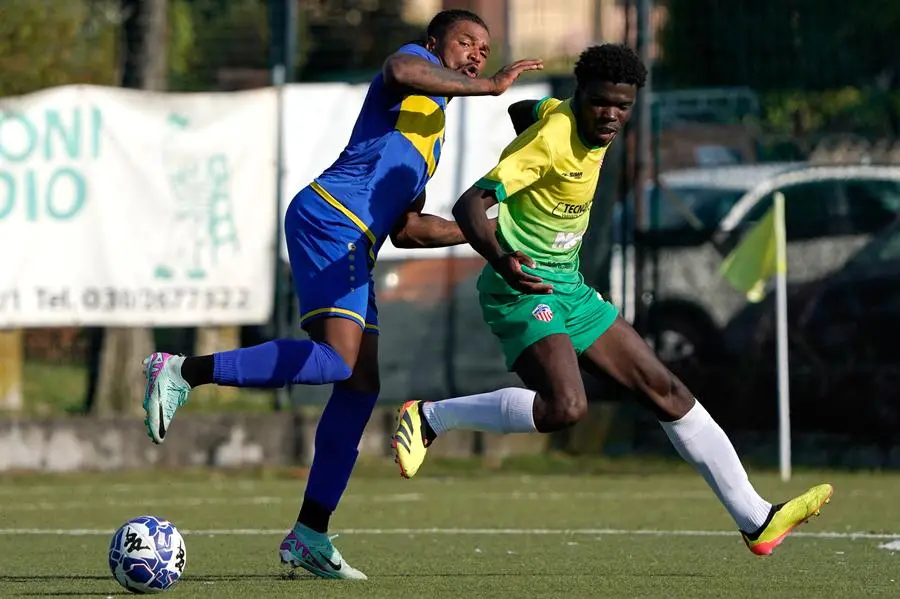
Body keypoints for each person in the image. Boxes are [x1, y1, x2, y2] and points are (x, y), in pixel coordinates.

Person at [140, 9, 543, 580]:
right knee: (338, 361)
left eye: (484, 48)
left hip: (357, 236)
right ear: (435, 43)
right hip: (331, 218)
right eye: (466, 42)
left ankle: (310, 532)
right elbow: (399, 68)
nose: (478, 54)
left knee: (358, 384)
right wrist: (491, 85)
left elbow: (408, 228)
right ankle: (182, 370)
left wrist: (488, 231)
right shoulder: (414, 66)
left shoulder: (428, 136)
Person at [392, 43, 833, 557]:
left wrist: (527, 121)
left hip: (571, 288)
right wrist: (503, 258)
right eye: (601, 103)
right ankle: (430, 418)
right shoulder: (553, 141)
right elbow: (470, 205)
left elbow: (523, 110)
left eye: (623, 106)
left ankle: (757, 520)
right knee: (567, 407)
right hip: (521, 285)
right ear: (581, 94)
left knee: (665, 389)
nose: (611, 116)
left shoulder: (565, 116)